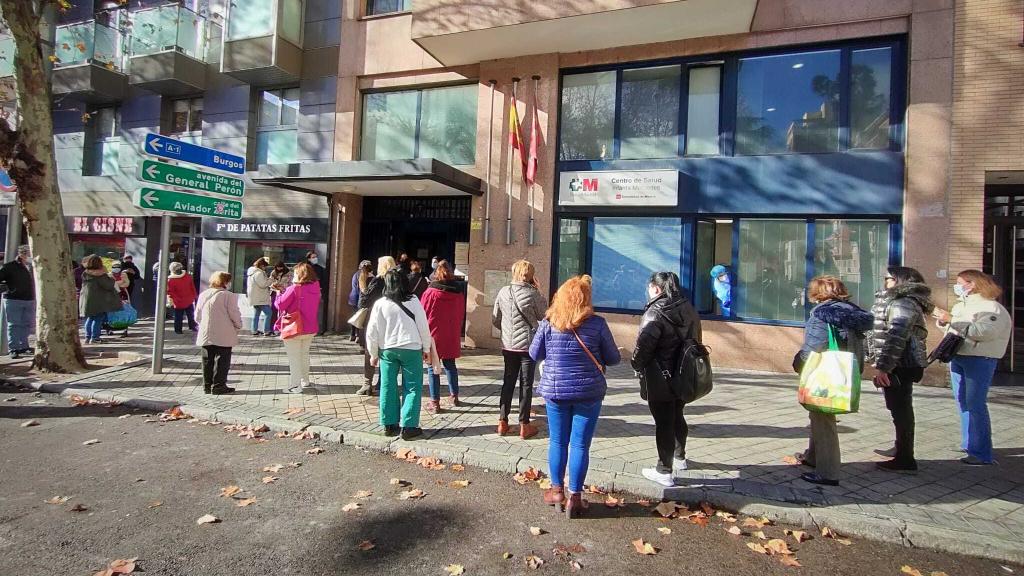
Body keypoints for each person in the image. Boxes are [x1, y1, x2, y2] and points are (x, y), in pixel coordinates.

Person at [530, 276, 620, 518]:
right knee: (580, 444)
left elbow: (534, 353)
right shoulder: (598, 324)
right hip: (589, 392)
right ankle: (576, 498)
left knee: (557, 441)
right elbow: (613, 359)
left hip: (556, 392)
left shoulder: (549, 322)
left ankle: (557, 491)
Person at [792, 276, 873, 486]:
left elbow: (814, 346)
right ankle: (813, 456)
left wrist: (799, 363)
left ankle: (828, 472)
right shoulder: (851, 313)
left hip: (825, 372)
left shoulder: (823, 314)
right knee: (818, 415)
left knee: (823, 420)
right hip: (844, 371)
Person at [630, 271, 702, 487]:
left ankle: (664, 470)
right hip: (685, 372)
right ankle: (679, 457)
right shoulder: (687, 307)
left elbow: (644, 347)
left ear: (656, 288)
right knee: (677, 414)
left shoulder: (655, 312)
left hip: (660, 375)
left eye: (650, 287)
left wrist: (636, 364)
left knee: (664, 422)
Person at [932, 270, 1011, 466]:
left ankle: (981, 452)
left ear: (972, 284)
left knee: (976, 404)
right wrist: (944, 323)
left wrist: (952, 319)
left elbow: (984, 332)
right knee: (963, 401)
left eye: (960, 283)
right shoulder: (962, 305)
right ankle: (970, 443)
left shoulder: (992, 308)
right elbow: (956, 329)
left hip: (979, 358)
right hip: (959, 355)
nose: (957, 287)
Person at [867, 266, 933, 472]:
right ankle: (901, 448)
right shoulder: (900, 301)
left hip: (901, 364)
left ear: (900, 281)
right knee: (898, 408)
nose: (885, 282)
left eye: (888, 278)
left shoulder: (903, 303)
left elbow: (896, 336)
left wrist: (884, 368)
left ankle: (905, 457)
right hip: (899, 363)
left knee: (901, 409)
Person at [365, 268, 432, 440]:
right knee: (413, 387)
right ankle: (409, 427)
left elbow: (372, 331)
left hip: (387, 349)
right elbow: (423, 326)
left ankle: (388, 423)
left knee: (388, 386)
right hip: (411, 348)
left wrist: (373, 353)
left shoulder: (380, 303)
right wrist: (426, 348)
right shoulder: (414, 300)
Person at [492, 259, 547, 438]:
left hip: (508, 346)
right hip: (528, 346)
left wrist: (507, 331)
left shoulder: (503, 292)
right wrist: (539, 291)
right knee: (526, 384)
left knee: (508, 382)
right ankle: (524, 425)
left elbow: (495, 319)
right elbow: (543, 315)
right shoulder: (533, 294)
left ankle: (502, 422)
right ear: (531, 276)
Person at [420, 260, 466, 414]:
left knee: (433, 368)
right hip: (451, 333)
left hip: (433, 333)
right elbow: (461, 313)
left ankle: (435, 402)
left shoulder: (430, 292)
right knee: (450, 365)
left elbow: (423, 313)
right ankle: (454, 396)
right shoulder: (458, 292)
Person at [276, 262, 322, 394]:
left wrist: (279, 293)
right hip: (310, 327)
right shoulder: (315, 286)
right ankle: (305, 380)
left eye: (295, 273)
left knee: (294, 357)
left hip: (294, 327)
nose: (293, 276)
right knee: (304, 354)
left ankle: (295, 385)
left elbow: (280, 305)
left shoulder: (294, 288)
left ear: (300, 274)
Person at [356, 256, 397, 395]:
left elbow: (363, 302)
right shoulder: (399, 280)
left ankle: (367, 383)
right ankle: (383, 382)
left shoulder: (378, 280)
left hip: (375, 320)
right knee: (388, 351)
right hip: (393, 321)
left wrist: (362, 286)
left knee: (370, 351)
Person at [195, 271, 242, 395]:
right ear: (225, 282)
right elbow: (234, 313)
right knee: (222, 359)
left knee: (207, 359)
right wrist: (238, 325)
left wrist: (203, 324)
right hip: (224, 332)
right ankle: (219, 385)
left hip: (206, 331)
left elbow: (197, 315)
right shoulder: (228, 296)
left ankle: (207, 385)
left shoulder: (204, 294)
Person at [0, 245, 34, 358]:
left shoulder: (32, 266)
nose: (29, 256)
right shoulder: (10, 266)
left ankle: (24, 346)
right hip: (13, 298)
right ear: (21, 254)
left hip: (29, 298)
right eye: (28, 253)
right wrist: (8, 288)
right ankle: (13, 348)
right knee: (14, 324)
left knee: (26, 324)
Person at [78, 254, 121, 345]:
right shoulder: (101, 275)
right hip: (98, 301)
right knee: (98, 319)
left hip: (86, 300)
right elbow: (108, 285)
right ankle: (95, 338)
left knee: (89, 318)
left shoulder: (85, 273)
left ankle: (87, 337)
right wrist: (111, 278)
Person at [167, 262, 198, 334]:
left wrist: (174, 299)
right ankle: (192, 326)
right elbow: (192, 287)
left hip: (178, 301)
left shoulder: (171, 280)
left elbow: (170, 292)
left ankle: (178, 330)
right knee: (191, 315)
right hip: (188, 299)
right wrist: (194, 296)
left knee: (178, 316)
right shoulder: (187, 276)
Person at [246, 257, 272, 336]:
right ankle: (266, 331)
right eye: (265, 266)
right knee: (269, 313)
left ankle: (254, 330)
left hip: (254, 297)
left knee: (256, 314)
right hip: (260, 297)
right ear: (261, 265)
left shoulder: (252, 272)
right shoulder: (258, 273)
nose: (265, 268)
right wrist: (270, 280)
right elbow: (263, 284)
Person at [349, 260, 373, 341]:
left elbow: (355, 288)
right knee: (361, 318)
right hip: (361, 299)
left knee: (355, 317)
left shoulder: (356, 274)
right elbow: (364, 290)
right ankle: (358, 336)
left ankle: (352, 335)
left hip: (353, 298)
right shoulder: (367, 276)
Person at [305, 251, 328, 336]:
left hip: (318, 292)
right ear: (308, 258)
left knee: (317, 312)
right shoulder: (305, 268)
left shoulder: (320, 269)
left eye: (316, 257)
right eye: (313, 257)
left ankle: (318, 329)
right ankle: (308, 328)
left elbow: (323, 281)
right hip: (307, 293)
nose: (315, 259)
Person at [108, 261, 132, 337]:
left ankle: (124, 327)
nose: (116, 269)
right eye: (114, 267)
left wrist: (115, 284)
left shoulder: (124, 274)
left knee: (124, 310)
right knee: (112, 311)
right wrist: (120, 283)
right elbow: (109, 285)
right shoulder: (109, 275)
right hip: (112, 295)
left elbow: (127, 283)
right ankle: (110, 327)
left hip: (123, 294)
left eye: (117, 267)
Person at [268, 261, 290, 335]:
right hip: (274, 292)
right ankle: (272, 328)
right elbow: (270, 282)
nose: (279, 269)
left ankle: (282, 327)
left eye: (281, 267)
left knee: (283, 311)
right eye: (278, 267)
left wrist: (282, 287)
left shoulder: (288, 273)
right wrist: (273, 285)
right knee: (273, 310)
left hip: (284, 292)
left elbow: (290, 283)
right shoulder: (273, 273)